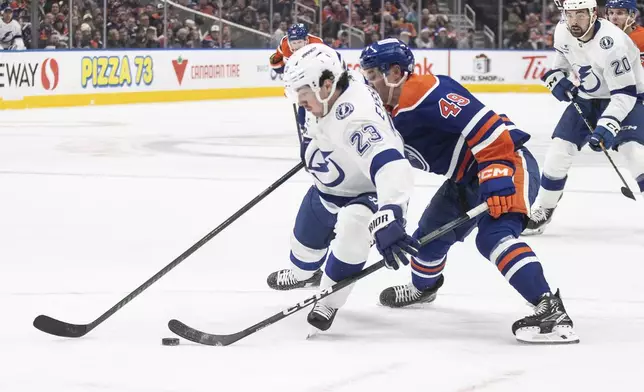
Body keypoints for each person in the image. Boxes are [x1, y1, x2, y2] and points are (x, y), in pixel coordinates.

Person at [359, 39, 578, 344]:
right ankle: (425, 288)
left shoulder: (421, 90)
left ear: (395, 72)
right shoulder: (383, 113)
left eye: (371, 76)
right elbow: (387, 172)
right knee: (426, 244)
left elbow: (487, 126)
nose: (366, 84)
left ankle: (549, 308)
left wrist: (497, 172)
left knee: (493, 238)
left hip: (507, 161)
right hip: (464, 179)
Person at [267, 44, 418, 332]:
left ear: (326, 85)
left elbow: (391, 164)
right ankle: (303, 273)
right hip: (329, 186)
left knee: (353, 231)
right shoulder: (331, 88)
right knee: (303, 250)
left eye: (303, 92)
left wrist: (391, 210)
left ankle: (328, 300)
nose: (299, 101)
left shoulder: (356, 119)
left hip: (367, 191)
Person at [524, 0, 644, 235]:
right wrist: (557, 78)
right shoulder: (562, 30)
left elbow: (624, 94)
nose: (574, 21)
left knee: (633, 152)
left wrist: (607, 126)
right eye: (570, 15)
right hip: (587, 99)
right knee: (558, 152)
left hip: (625, 98)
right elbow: (561, 64)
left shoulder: (613, 43)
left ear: (593, 14)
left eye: (580, 15)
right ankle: (544, 209)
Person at [605, 0, 644, 67]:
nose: (614, 18)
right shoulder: (602, 39)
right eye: (611, 13)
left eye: (620, 13)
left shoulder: (642, 37)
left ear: (632, 16)